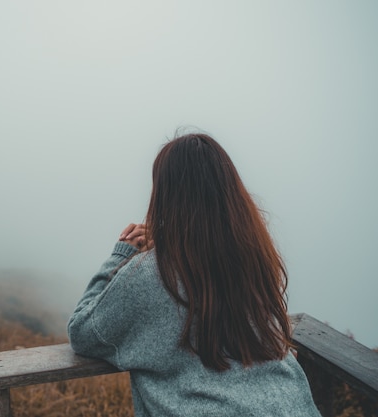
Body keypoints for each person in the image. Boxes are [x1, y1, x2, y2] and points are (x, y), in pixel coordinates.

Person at [67, 133, 321, 416]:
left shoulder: (153, 272)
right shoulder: (253, 255)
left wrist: (121, 255)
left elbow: (83, 333)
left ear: (166, 195)